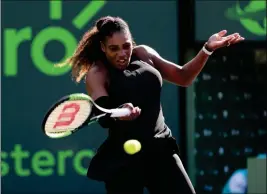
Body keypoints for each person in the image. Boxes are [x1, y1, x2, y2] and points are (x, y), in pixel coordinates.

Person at [57, 16, 244, 194]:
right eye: (114, 48)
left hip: (161, 150)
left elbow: (183, 77)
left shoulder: (145, 54)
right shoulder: (97, 73)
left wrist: (207, 49)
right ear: (103, 47)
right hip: (124, 161)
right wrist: (120, 112)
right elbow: (104, 114)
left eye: (126, 46)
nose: (122, 53)